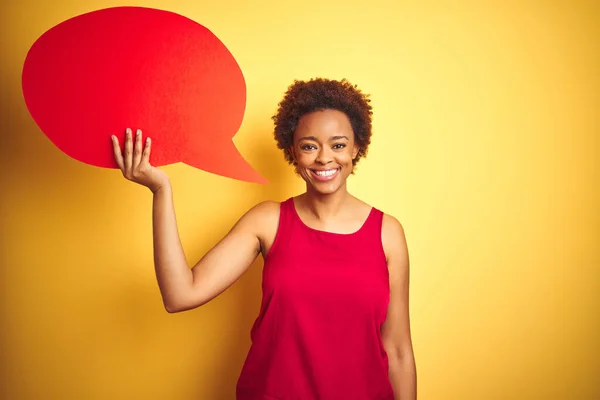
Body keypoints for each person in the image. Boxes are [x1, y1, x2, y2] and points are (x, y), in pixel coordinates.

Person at [110, 78, 416, 400]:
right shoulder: (268, 221)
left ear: (356, 148)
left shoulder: (387, 233)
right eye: (309, 145)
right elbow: (179, 295)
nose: (325, 158)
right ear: (293, 152)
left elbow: (397, 351)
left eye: (338, 145)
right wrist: (161, 189)